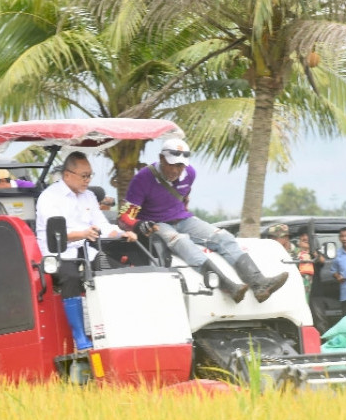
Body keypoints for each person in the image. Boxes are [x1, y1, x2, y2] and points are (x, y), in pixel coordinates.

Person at [118, 139, 288, 304]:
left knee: (223, 237)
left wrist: (183, 212)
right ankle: (228, 287)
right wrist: (139, 224)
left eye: (180, 165)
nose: (176, 170)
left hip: (182, 218)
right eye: (172, 164)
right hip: (156, 223)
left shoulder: (190, 174)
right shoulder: (143, 178)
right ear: (161, 158)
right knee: (182, 242)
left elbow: (182, 199)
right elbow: (125, 216)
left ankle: (259, 284)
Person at [36, 151, 137, 350]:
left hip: (85, 250)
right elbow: (57, 234)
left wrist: (120, 233)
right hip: (58, 253)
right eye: (84, 176)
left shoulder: (89, 196)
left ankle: (117, 328)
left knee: (117, 272)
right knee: (71, 277)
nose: (88, 180)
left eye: (90, 175)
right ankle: (80, 337)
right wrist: (82, 233)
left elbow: (101, 224)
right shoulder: (49, 197)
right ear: (67, 175)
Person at [267, 224, 314, 302]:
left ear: (286, 237)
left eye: (275, 237)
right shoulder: (270, 254)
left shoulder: (302, 256)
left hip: (294, 300)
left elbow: (306, 285)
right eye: (271, 238)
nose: (272, 240)